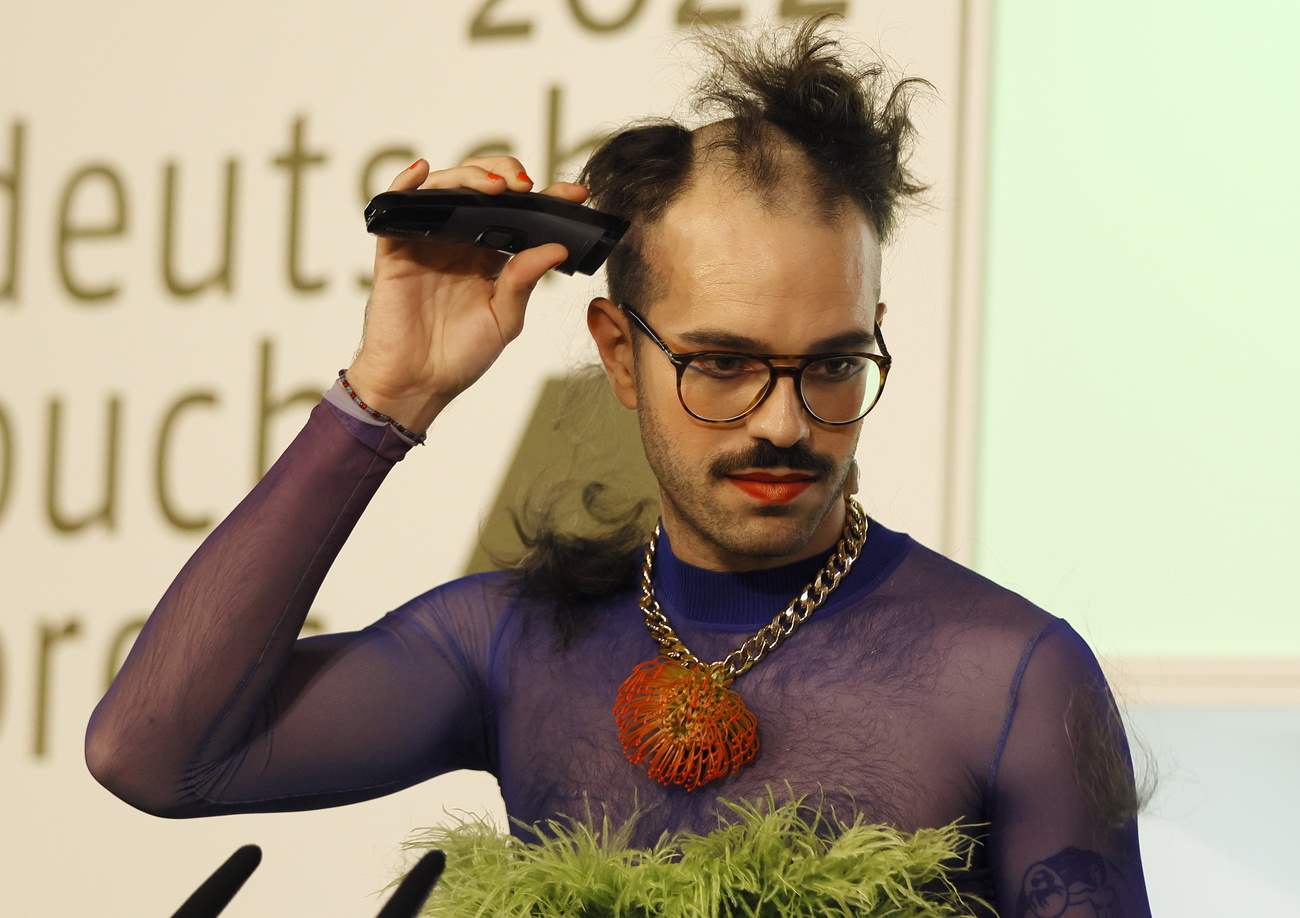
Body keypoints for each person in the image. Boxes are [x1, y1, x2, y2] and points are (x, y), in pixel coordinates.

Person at [86, 21, 1151, 917]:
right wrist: (387, 398)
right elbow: (151, 754)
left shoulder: (1013, 678)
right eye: (722, 364)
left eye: (831, 364)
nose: (784, 422)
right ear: (617, 353)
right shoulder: (511, 643)